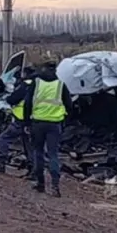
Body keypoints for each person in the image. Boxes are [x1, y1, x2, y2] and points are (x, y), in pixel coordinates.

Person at [12, 58, 72, 197]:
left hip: (37, 123)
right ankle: (55, 186)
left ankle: (40, 183)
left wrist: (26, 122)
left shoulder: (36, 83)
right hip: (55, 124)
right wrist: (64, 118)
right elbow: (69, 105)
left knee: (38, 153)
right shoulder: (60, 85)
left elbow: (28, 104)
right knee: (53, 154)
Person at [0, 64, 37, 174]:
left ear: (25, 74)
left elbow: (13, 99)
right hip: (36, 120)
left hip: (21, 119)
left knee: (3, 139)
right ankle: (33, 171)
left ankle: (1, 165)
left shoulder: (26, 85)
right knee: (30, 145)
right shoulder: (40, 85)